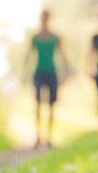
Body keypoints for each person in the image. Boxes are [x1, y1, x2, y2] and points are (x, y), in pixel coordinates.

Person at [27, 10, 68, 148]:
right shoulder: (35, 38)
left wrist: (65, 72)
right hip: (39, 72)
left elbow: (63, 55)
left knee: (51, 105)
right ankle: (38, 136)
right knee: (38, 104)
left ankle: (49, 138)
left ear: (49, 19)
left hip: (51, 72)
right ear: (40, 19)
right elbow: (28, 55)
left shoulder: (55, 38)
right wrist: (24, 74)